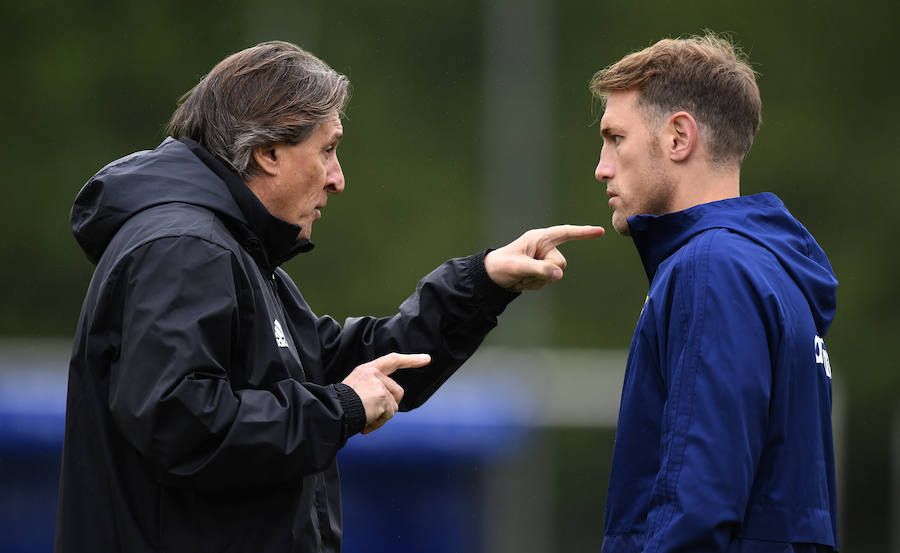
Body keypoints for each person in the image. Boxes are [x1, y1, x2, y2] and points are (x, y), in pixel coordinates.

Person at [55, 40, 604, 553]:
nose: (337, 178)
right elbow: (180, 423)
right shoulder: (185, 248)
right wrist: (339, 408)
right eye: (328, 150)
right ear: (269, 152)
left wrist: (482, 282)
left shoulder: (231, 251)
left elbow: (345, 364)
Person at [590, 33, 839, 552]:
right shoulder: (771, 271)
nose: (602, 167)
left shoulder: (711, 268)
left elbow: (698, 506)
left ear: (679, 137)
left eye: (616, 138)